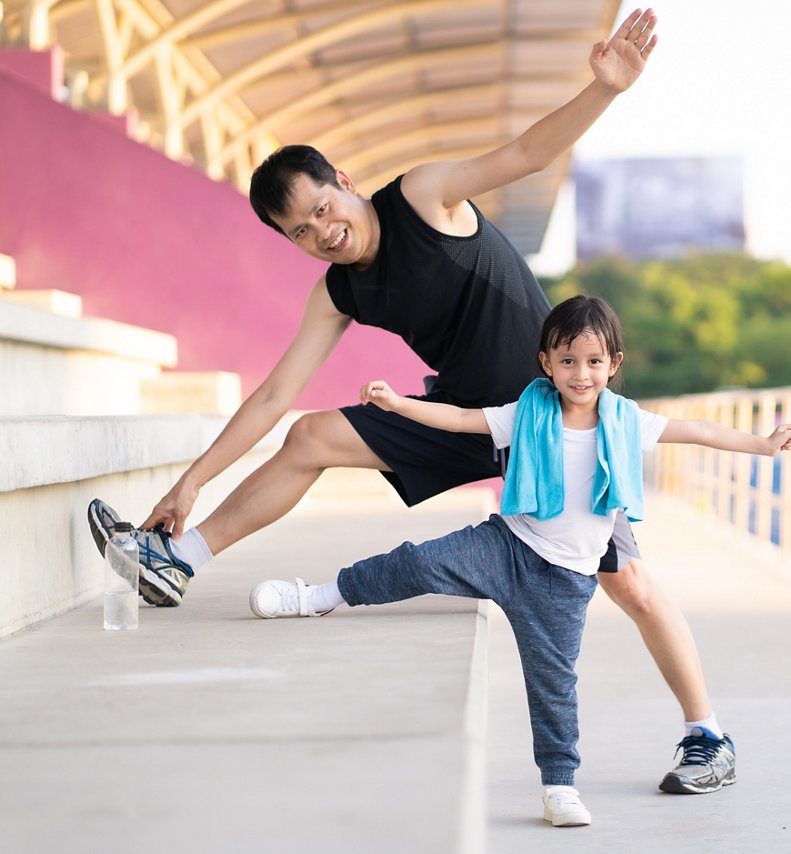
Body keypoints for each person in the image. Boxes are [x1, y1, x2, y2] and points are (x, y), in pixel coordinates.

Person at [81, 8, 739, 794]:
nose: (322, 231)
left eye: (323, 207)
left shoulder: (424, 195)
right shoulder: (338, 291)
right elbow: (272, 395)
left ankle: (708, 735)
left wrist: (603, 91)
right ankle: (176, 561)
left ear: (346, 183)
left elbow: (527, 152)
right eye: (299, 230)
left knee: (624, 579)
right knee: (308, 435)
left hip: (545, 415)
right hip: (463, 417)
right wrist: (190, 482)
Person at [247, 296, 791, 826]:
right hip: (506, 547)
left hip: (567, 581)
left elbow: (696, 431)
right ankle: (319, 596)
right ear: (546, 362)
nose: (580, 374)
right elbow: (460, 420)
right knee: (414, 562)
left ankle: (560, 787)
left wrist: (762, 444)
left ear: (614, 365)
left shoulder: (626, 420)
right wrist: (397, 405)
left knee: (553, 686)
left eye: (593, 362)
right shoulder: (527, 410)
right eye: (567, 361)